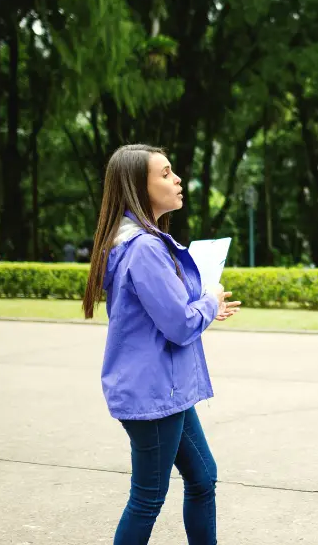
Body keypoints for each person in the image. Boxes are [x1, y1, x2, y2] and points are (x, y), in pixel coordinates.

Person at [82, 144, 240, 545]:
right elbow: (179, 325)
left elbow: (162, 313)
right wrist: (210, 299)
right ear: (140, 186)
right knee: (148, 498)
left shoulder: (133, 240)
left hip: (165, 391)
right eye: (166, 173)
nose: (177, 179)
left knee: (203, 478)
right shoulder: (145, 247)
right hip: (153, 394)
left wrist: (203, 308)